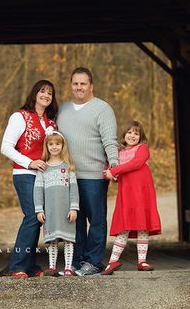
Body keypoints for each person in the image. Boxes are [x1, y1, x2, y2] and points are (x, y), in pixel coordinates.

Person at [57, 67, 119, 276]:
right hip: (68, 176)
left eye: (83, 83)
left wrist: (114, 166)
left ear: (91, 86)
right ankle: (76, 260)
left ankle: (93, 261)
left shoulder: (102, 109)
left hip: (94, 175)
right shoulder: (63, 109)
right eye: (75, 83)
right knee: (75, 220)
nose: (79, 87)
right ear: (71, 85)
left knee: (97, 220)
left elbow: (110, 141)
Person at [0, 79, 58, 278]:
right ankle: (17, 266)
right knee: (32, 216)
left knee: (39, 219)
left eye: (50, 93)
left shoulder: (51, 122)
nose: (46, 95)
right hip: (25, 174)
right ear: (34, 94)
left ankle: (30, 266)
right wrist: (29, 162)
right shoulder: (20, 116)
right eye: (42, 91)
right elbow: (6, 147)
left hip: (45, 176)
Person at [101, 121, 162, 275]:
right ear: (123, 135)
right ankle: (113, 261)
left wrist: (114, 171)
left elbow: (136, 163)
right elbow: (110, 169)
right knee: (125, 226)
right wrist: (110, 173)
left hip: (142, 194)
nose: (132, 135)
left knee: (142, 226)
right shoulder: (118, 153)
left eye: (136, 133)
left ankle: (142, 261)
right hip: (126, 194)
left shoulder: (143, 149)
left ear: (140, 137)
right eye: (129, 132)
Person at [34, 129, 79, 277]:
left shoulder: (68, 166)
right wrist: (39, 209)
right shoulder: (43, 169)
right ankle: (52, 267)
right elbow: (38, 190)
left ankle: (67, 267)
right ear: (46, 146)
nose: (54, 147)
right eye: (51, 144)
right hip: (50, 211)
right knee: (52, 240)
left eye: (57, 144)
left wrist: (73, 208)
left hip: (66, 211)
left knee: (68, 240)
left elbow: (74, 190)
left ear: (62, 146)